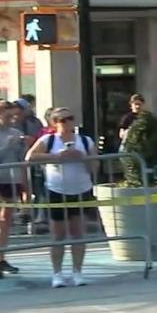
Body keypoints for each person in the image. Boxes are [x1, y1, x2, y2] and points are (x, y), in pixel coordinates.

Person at [25, 108, 98, 288]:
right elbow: (30, 157)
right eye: (63, 119)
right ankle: (57, 273)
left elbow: (95, 166)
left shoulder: (85, 141)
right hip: (57, 191)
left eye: (70, 118)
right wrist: (56, 157)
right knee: (58, 235)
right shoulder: (48, 140)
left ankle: (77, 272)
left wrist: (82, 158)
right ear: (55, 123)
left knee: (78, 234)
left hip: (81, 190)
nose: (68, 123)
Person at [0, 101, 26, 278]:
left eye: (14, 116)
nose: (12, 120)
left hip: (11, 180)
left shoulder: (16, 133)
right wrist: (6, 145)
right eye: (7, 116)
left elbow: (22, 160)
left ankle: (2, 257)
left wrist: (25, 186)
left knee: (5, 220)